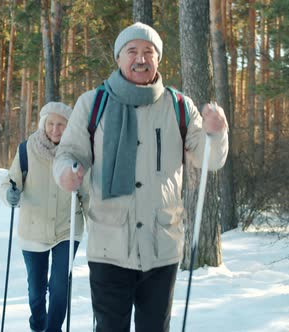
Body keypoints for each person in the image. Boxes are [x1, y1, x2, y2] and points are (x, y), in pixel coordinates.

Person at [53, 22, 229, 332]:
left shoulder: (179, 106)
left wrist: (217, 132)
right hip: (109, 245)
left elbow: (210, 159)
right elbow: (69, 152)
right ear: (119, 58)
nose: (140, 58)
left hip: (161, 247)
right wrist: (65, 173)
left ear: (158, 59)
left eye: (149, 52)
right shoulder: (93, 104)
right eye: (132, 51)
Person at [0, 101, 89, 332]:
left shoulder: (78, 153)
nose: (55, 129)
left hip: (67, 229)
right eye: (50, 123)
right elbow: (9, 182)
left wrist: (97, 222)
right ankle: (38, 325)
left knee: (59, 286)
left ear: (69, 127)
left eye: (61, 124)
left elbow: (87, 193)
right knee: (36, 290)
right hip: (33, 228)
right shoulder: (26, 149)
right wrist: (9, 193)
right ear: (43, 124)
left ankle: (53, 329)